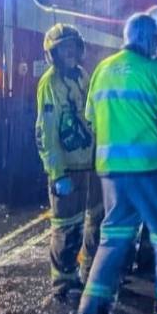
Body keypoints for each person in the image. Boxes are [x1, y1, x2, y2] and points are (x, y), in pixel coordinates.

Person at [79, 13, 157, 314]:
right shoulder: (155, 71)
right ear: (149, 39)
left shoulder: (103, 69)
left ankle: (92, 311)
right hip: (149, 171)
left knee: (113, 239)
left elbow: (91, 116)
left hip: (111, 173)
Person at [35, 24, 102, 300]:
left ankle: (90, 270)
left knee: (95, 219)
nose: (69, 52)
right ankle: (64, 283)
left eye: (73, 46)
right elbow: (46, 132)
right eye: (63, 48)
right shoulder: (50, 84)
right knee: (66, 226)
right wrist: (57, 172)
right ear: (53, 54)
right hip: (67, 168)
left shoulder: (82, 76)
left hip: (90, 163)